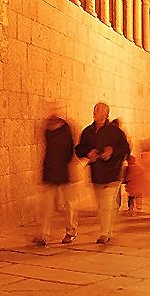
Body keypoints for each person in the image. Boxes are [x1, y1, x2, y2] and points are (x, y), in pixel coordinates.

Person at [75, 102, 130, 244]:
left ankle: (104, 233)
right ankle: (109, 229)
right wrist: (88, 153)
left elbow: (126, 149)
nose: (95, 111)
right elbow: (79, 149)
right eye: (94, 109)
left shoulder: (115, 132)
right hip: (97, 173)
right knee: (102, 205)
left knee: (106, 204)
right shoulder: (87, 132)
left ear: (105, 114)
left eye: (98, 110)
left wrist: (112, 151)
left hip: (112, 173)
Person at [33, 103, 77, 246]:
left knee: (68, 204)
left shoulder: (66, 127)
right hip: (50, 170)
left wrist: (66, 163)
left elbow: (70, 149)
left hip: (63, 170)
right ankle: (43, 234)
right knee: (47, 205)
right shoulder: (47, 128)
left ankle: (70, 231)